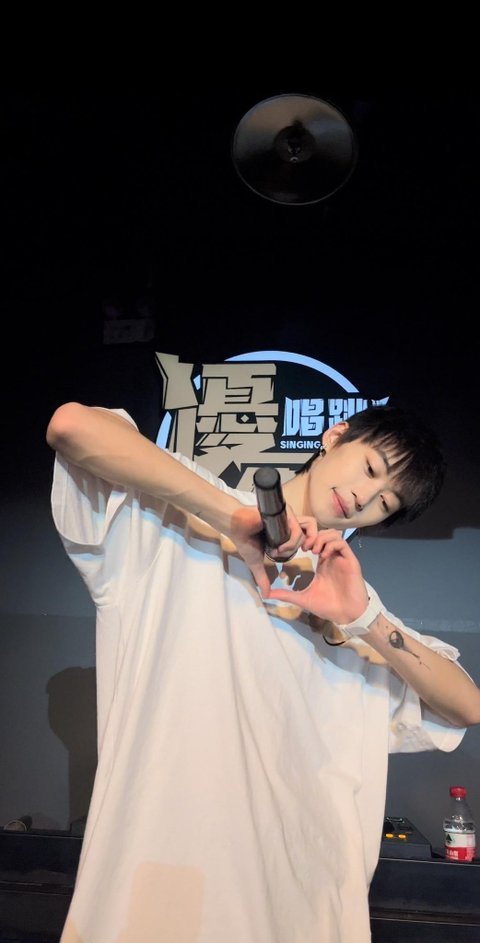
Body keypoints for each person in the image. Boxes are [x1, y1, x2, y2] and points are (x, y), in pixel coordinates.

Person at [46, 401, 480, 943]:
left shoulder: (354, 610)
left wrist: (365, 619)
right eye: (371, 468)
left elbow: (466, 705)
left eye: (385, 502)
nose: (364, 497)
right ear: (335, 436)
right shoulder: (177, 514)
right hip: (160, 893)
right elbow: (70, 426)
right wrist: (230, 515)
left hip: (305, 910)